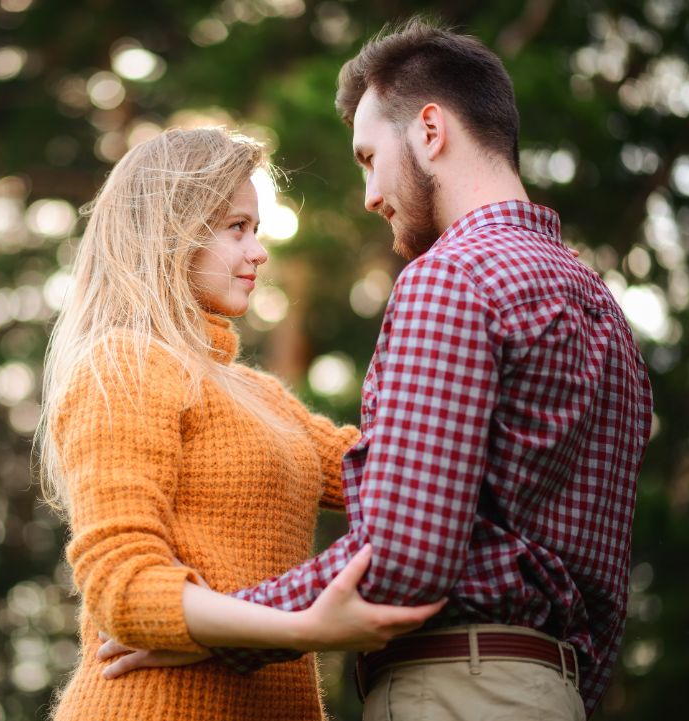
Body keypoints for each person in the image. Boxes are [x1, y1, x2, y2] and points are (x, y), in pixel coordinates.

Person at [103, 19, 653, 721]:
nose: (369, 194)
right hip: (554, 689)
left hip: (454, 690)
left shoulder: (450, 278)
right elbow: (607, 580)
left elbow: (401, 559)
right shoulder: (601, 308)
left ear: (430, 130)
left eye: (368, 157)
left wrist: (216, 629)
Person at [35, 126, 444, 721]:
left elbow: (382, 473)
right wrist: (301, 628)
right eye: (237, 228)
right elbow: (120, 583)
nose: (258, 253)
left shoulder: (258, 395)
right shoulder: (126, 362)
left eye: (258, 230)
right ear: (170, 233)